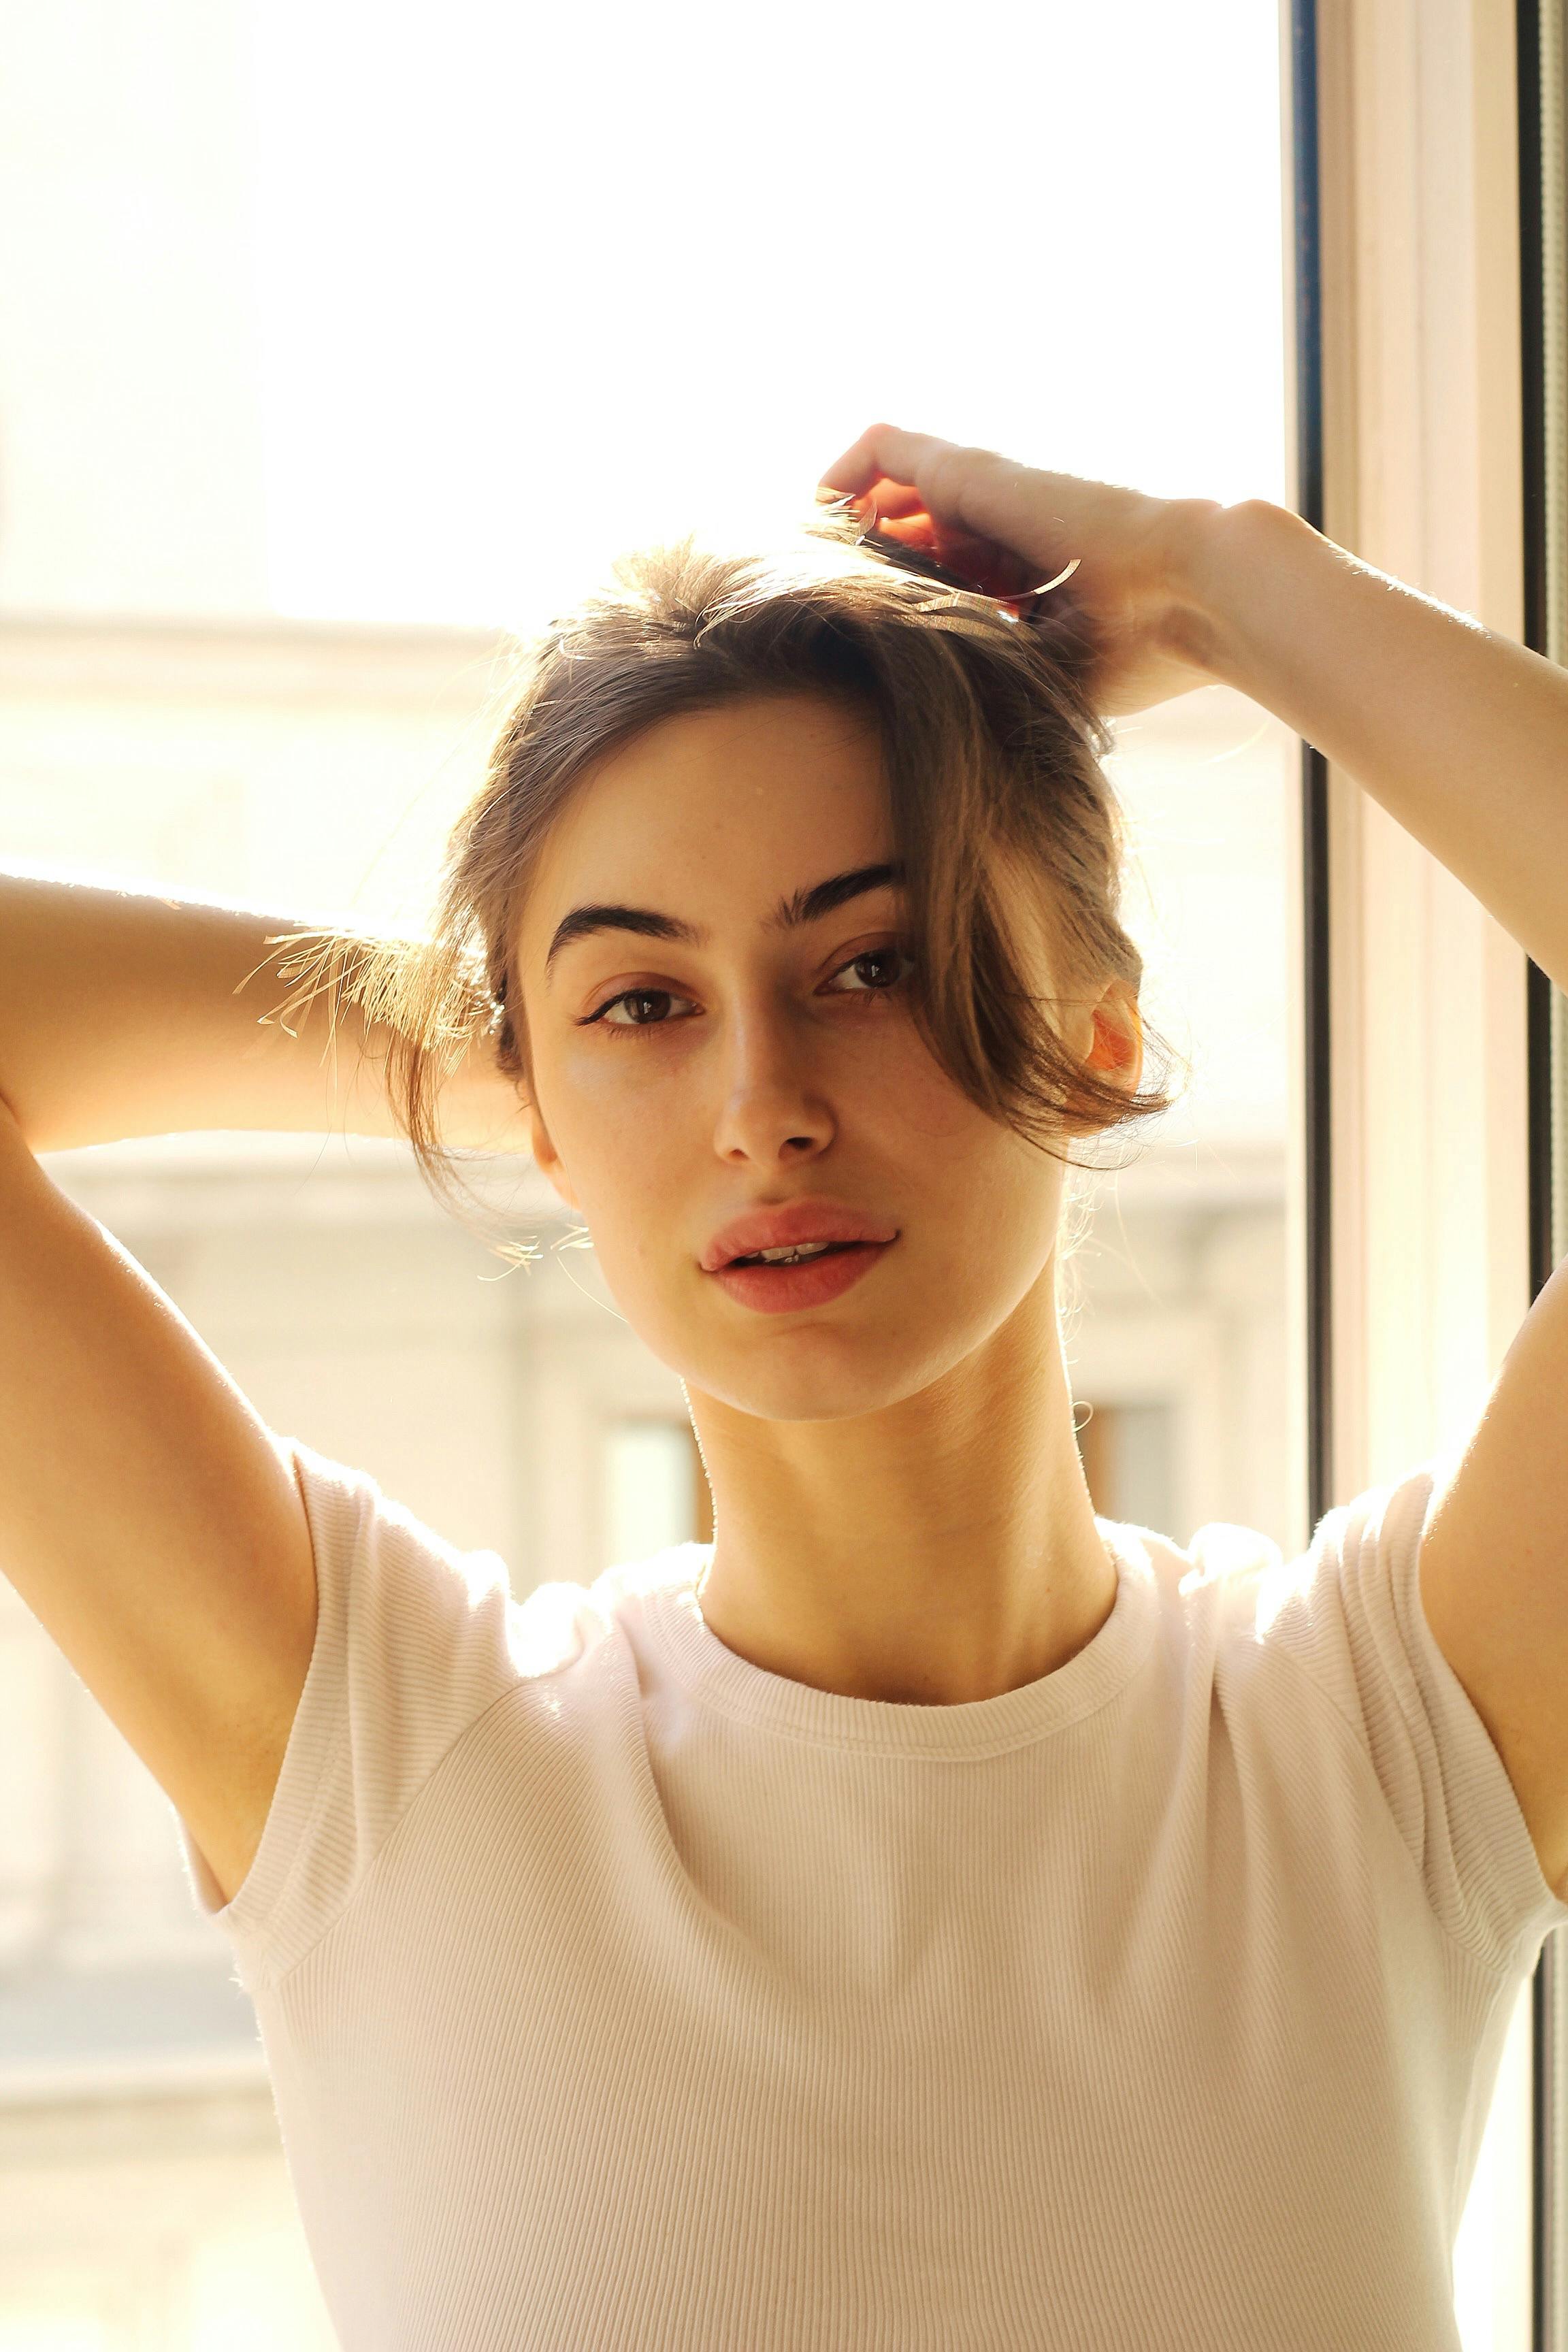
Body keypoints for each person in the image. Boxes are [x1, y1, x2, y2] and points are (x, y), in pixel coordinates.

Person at [1, 423, 1565, 2349]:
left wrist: (1230, 578)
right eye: (649, 1003)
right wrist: (553, 1059)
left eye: (873, 965)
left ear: (1095, 1038)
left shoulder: (1385, 1751)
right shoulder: (388, 1763)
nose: (763, 1113)